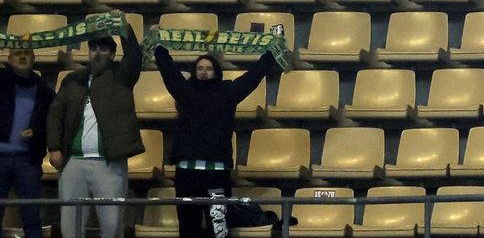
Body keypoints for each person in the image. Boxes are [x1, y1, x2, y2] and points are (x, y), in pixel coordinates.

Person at [151, 32, 277, 238]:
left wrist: (268, 56)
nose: (203, 72)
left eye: (208, 68)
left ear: (216, 71)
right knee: (188, 227)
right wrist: (158, 47)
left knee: (218, 228)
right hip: (186, 174)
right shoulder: (184, 90)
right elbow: (168, 71)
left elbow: (252, 78)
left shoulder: (228, 91)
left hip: (216, 174)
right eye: (200, 68)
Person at [47, 27, 144, 238]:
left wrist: (124, 26)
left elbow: (135, 56)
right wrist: (54, 147)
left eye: (103, 49)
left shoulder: (121, 76)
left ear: (112, 54)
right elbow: (55, 114)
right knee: (70, 228)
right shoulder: (72, 80)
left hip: (109, 163)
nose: (97, 53)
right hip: (73, 163)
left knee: (112, 227)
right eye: (93, 48)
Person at [0, 48, 54, 238]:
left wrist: (37, 133)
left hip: (28, 160)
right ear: (8, 59)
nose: (21, 57)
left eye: (26, 53)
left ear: (34, 58)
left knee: (31, 217)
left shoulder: (45, 91)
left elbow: (52, 125)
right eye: (16, 53)